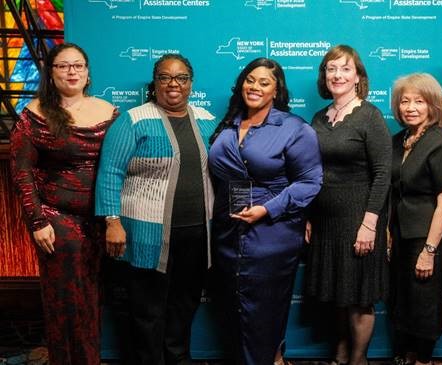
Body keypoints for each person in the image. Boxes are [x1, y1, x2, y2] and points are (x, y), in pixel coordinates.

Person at [95, 53, 215, 365]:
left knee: (185, 303)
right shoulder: (133, 120)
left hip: (197, 234)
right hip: (146, 233)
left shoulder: (206, 119)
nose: (173, 84)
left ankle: (178, 358)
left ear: (190, 84)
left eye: (181, 78)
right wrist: (112, 221)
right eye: (165, 77)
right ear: (155, 83)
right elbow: (110, 172)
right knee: (147, 309)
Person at [208, 57, 323, 365]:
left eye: (264, 82)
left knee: (262, 309)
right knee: (234, 310)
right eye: (250, 79)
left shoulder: (294, 128)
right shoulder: (228, 124)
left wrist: (267, 209)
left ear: (276, 90)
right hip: (227, 232)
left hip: (271, 233)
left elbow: (310, 182)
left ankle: (270, 358)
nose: (255, 86)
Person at [10, 43, 117, 365]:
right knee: (67, 301)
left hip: (100, 221)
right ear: (51, 74)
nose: (72, 72)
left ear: (87, 73)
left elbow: (117, 166)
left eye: (78, 66)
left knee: (91, 299)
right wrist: (37, 222)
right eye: (63, 66)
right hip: (57, 220)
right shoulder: (35, 114)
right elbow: (21, 171)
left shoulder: (109, 111)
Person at [305, 45, 391, 365]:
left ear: (358, 76)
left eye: (345, 69)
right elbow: (312, 170)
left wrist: (369, 224)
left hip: (359, 218)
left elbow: (382, 173)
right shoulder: (319, 117)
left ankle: (358, 359)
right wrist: (310, 217)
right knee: (339, 293)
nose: (337, 75)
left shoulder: (369, 115)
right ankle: (341, 353)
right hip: (326, 221)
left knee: (358, 297)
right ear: (324, 76)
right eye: (331, 69)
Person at [388, 73, 442, 365]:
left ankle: (424, 359)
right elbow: (392, 192)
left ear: (433, 106)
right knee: (402, 300)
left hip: (427, 237)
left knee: (424, 303)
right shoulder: (398, 140)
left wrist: (429, 251)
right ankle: (406, 355)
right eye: (405, 101)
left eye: (419, 101)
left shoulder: (439, 144)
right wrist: (389, 234)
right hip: (401, 234)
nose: (411, 107)